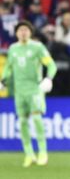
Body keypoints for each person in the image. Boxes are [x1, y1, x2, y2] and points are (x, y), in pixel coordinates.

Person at [0, 20, 57, 167]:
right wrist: (3, 81)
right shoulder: (13, 49)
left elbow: (51, 64)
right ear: (16, 33)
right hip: (19, 91)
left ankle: (43, 152)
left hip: (34, 90)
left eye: (26, 30)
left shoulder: (37, 47)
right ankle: (29, 154)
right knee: (23, 122)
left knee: (37, 119)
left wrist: (48, 78)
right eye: (20, 30)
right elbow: (8, 67)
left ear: (30, 32)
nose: (23, 32)